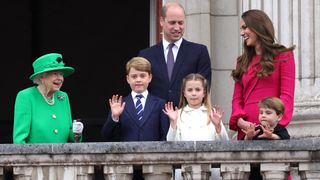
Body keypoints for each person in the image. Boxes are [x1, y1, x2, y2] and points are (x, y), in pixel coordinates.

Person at [229, 9, 295, 140]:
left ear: (257, 27)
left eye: (245, 28)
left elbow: (287, 96)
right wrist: (240, 121)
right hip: (248, 133)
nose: (241, 33)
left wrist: (275, 126)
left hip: (271, 132)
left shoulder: (284, 55)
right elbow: (237, 99)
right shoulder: (242, 61)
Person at [138, 1, 212, 107]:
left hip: (187, 118)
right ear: (161, 21)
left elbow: (205, 88)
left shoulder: (199, 52)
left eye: (180, 23)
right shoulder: (146, 55)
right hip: (155, 119)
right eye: (172, 23)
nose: (177, 28)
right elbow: (140, 90)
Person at [163, 73, 228, 180]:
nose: (194, 93)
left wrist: (218, 127)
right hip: (184, 171)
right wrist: (173, 122)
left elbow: (225, 143)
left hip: (211, 172)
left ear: (204, 93)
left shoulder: (212, 114)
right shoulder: (178, 114)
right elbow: (170, 143)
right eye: (190, 90)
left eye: (197, 90)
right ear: (184, 93)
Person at [13, 53, 83, 144]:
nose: (60, 78)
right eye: (55, 74)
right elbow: (19, 140)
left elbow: (71, 137)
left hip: (63, 157)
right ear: (42, 77)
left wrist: (77, 133)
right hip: (35, 157)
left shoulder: (63, 97)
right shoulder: (26, 97)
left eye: (61, 74)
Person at [101, 57, 169, 141]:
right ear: (128, 79)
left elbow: (165, 136)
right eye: (134, 76)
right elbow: (106, 136)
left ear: (150, 78)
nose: (138, 80)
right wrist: (114, 117)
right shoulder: (119, 104)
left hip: (152, 153)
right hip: (126, 153)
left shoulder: (160, 104)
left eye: (142, 76)